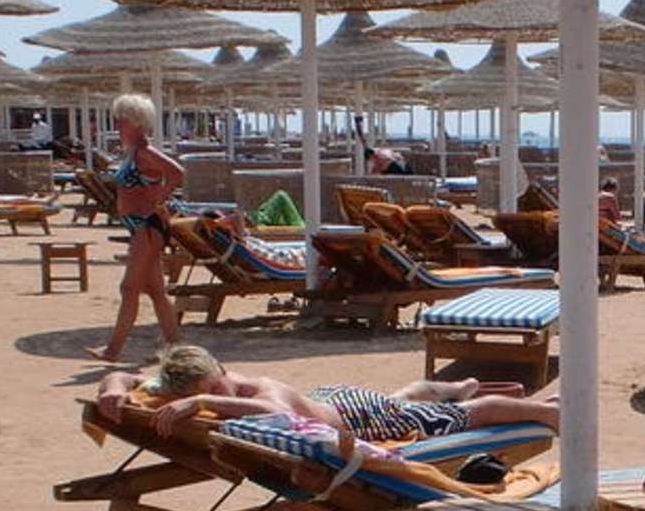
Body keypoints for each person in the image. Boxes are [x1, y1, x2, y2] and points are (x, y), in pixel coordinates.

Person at [97, 345, 559, 441]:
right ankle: (454, 386)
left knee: (467, 416)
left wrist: (204, 401)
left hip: (362, 420)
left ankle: (544, 412)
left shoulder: (255, 388)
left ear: (219, 371)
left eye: (217, 384)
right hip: (337, 401)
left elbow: (275, 413)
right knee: (400, 399)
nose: (220, 390)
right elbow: (130, 378)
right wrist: (112, 387)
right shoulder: (185, 383)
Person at [88, 93, 185, 365]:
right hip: (141, 225)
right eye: (117, 119)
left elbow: (177, 172)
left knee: (130, 288)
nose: (118, 124)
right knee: (155, 291)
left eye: (123, 120)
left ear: (138, 122)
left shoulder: (144, 152)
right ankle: (177, 346)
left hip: (147, 225)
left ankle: (113, 350)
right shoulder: (132, 152)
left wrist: (160, 199)